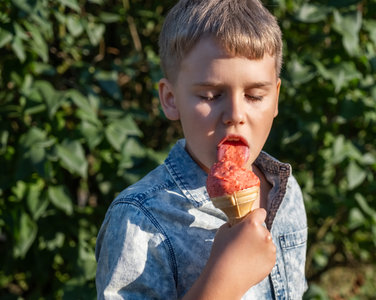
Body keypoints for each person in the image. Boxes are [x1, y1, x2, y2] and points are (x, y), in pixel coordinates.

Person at [95, 0, 308, 299]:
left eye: (255, 95)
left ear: (275, 98)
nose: (235, 113)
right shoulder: (139, 221)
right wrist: (224, 280)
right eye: (210, 95)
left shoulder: (284, 193)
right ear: (170, 99)